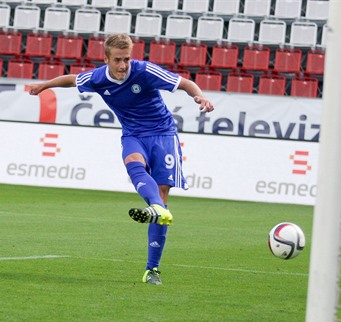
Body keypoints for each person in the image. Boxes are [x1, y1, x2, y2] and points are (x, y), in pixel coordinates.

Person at [28, 34, 214, 286]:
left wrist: (199, 96)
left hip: (163, 134)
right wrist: (45, 85)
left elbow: (184, 83)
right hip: (133, 134)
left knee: (162, 195)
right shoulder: (98, 77)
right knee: (134, 164)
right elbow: (72, 80)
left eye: (126, 59)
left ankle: (152, 269)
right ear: (106, 59)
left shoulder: (145, 71)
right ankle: (156, 208)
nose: (123, 65)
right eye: (117, 60)